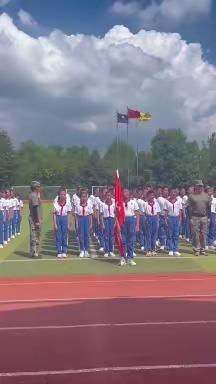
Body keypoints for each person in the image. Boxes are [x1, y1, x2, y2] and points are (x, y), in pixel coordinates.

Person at [188, 180, 211, 256]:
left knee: (204, 234)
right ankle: (196, 249)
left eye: (201, 186)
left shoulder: (207, 196)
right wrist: (190, 218)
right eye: (199, 186)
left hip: (204, 217)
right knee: (195, 234)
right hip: (195, 217)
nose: (200, 187)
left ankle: (203, 249)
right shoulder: (191, 196)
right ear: (196, 186)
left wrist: (209, 217)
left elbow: (209, 207)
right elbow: (189, 208)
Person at [120, 189, 139, 266]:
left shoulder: (133, 202)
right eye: (124, 192)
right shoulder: (119, 203)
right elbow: (116, 214)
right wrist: (117, 225)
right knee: (123, 241)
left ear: (129, 193)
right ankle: (123, 258)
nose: (125, 193)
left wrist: (137, 225)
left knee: (131, 240)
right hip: (122, 220)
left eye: (127, 192)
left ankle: (130, 258)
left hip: (131, 220)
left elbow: (137, 214)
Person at [53, 188, 72, 258]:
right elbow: (54, 214)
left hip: (65, 218)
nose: (63, 196)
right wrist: (55, 224)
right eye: (61, 194)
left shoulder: (68, 203)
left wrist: (68, 223)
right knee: (58, 236)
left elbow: (69, 213)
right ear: (59, 195)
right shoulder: (55, 203)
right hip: (58, 218)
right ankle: (59, 251)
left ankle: (64, 251)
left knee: (65, 236)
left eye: (64, 194)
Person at [75, 190, 93, 258]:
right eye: (82, 197)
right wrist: (76, 223)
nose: (84, 198)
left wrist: (91, 224)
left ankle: (86, 250)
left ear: (87, 198)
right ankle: (82, 250)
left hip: (87, 219)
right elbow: (76, 215)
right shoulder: (77, 205)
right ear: (80, 197)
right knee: (81, 236)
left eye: (85, 197)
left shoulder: (89, 205)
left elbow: (91, 215)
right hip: (80, 220)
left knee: (87, 235)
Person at [165, 188, 183, 256]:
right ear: (170, 193)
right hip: (170, 218)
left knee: (176, 234)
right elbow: (166, 211)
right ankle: (171, 249)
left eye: (174, 192)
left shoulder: (179, 201)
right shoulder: (167, 201)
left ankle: (175, 249)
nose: (173, 193)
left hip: (176, 218)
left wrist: (180, 219)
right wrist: (166, 219)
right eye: (172, 192)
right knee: (170, 234)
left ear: (176, 194)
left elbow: (180, 211)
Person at [29, 181, 43, 258]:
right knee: (34, 236)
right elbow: (34, 208)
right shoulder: (34, 195)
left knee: (36, 235)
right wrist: (37, 221)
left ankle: (35, 251)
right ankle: (33, 252)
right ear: (35, 188)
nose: (40, 188)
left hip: (36, 219)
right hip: (34, 219)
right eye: (39, 186)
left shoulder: (36, 195)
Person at [100, 190, 116, 257]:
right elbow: (101, 215)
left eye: (110, 195)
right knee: (106, 236)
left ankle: (111, 250)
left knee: (111, 236)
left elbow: (116, 214)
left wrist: (115, 222)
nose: (108, 197)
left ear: (112, 196)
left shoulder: (114, 204)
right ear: (105, 196)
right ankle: (106, 250)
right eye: (107, 195)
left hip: (112, 219)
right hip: (106, 219)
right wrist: (102, 223)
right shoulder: (103, 204)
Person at [145, 190, 160, 256]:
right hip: (149, 218)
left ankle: (153, 249)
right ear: (148, 196)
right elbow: (144, 213)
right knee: (149, 235)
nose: (152, 197)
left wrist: (158, 220)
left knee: (154, 235)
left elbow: (158, 212)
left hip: (155, 218)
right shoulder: (145, 203)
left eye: (153, 195)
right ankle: (148, 250)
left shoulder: (156, 203)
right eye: (150, 195)